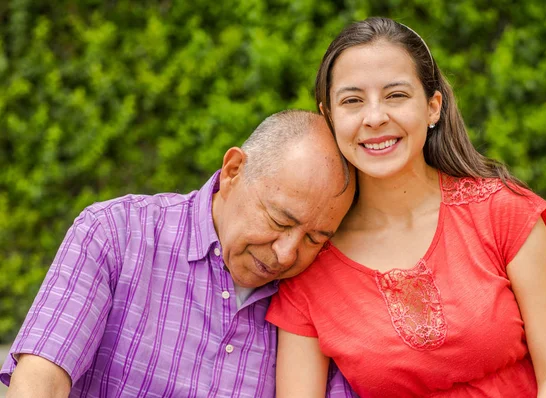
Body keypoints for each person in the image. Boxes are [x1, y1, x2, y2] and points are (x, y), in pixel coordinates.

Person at [266, 17, 546, 397]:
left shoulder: (502, 212)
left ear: (433, 107)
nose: (375, 117)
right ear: (329, 117)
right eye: (352, 101)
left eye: (396, 95)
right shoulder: (310, 267)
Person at [0, 110, 358, 397]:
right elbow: (39, 383)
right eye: (280, 220)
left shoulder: (318, 297)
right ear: (234, 171)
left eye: (314, 239)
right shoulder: (116, 233)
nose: (286, 254)